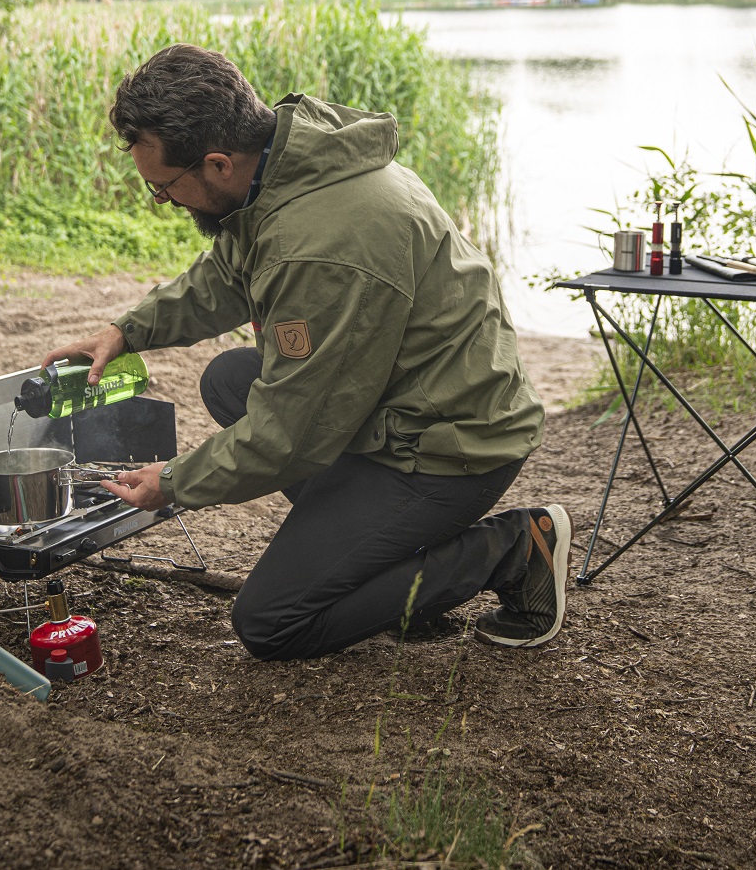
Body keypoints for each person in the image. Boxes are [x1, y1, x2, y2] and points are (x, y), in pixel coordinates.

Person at [43, 44, 569, 660]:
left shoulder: (321, 246)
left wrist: (175, 481)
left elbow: (292, 432)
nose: (166, 203)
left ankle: (514, 550)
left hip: (450, 446)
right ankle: (384, 572)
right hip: (403, 404)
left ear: (216, 163)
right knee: (230, 379)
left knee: (273, 621)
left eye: (164, 189)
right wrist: (127, 331)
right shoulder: (285, 168)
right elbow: (229, 275)